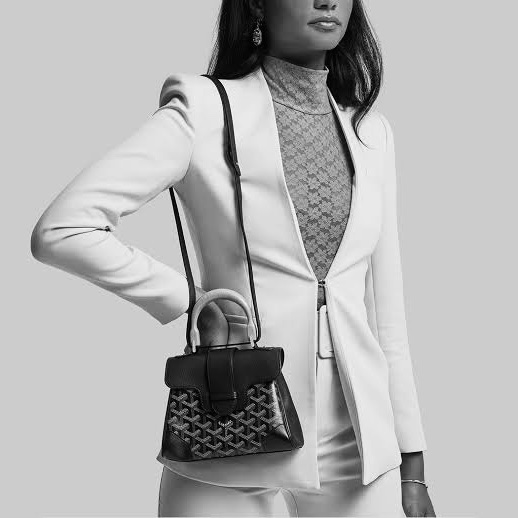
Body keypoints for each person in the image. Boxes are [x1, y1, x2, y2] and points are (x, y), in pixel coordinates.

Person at [31, 0, 437, 516]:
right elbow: (64, 228)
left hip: (359, 444)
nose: (327, 0)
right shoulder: (203, 110)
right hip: (230, 422)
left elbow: (387, 316)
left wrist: (412, 463)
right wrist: (190, 300)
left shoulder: (371, 132)